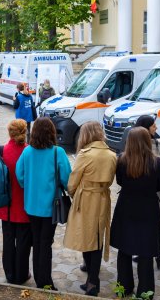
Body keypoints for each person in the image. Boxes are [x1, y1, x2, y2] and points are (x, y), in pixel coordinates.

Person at [111, 127, 160, 299]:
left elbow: (120, 181)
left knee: (124, 248)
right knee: (145, 252)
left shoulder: (121, 160)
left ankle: (124, 287)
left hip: (126, 207)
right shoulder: (157, 162)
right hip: (148, 209)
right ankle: (144, 292)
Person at [16, 117, 71, 291]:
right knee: (45, 242)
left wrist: (29, 186)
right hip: (50, 207)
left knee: (37, 241)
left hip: (31, 205)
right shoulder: (58, 152)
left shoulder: (27, 152)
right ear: (51, 132)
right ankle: (44, 281)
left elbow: (20, 175)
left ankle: (39, 276)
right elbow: (66, 178)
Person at [64, 121, 117, 296]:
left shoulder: (85, 154)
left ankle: (92, 281)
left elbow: (73, 181)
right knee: (97, 236)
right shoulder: (111, 154)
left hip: (86, 198)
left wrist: (74, 194)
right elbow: (110, 180)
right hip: (103, 197)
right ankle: (92, 279)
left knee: (86, 236)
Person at [0, 119, 32, 285]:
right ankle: (22, 275)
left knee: (8, 240)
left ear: (10, 133)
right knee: (24, 243)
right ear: (25, 132)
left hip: (6, 205)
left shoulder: (0, 151)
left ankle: (9, 273)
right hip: (24, 206)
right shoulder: (29, 152)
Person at [135, 115, 160, 269]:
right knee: (144, 224)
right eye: (154, 126)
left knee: (155, 225)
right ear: (145, 127)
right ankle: (143, 251)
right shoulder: (138, 144)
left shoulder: (156, 142)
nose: (156, 128)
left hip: (154, 193)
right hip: (149, 193)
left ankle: (158, 254)